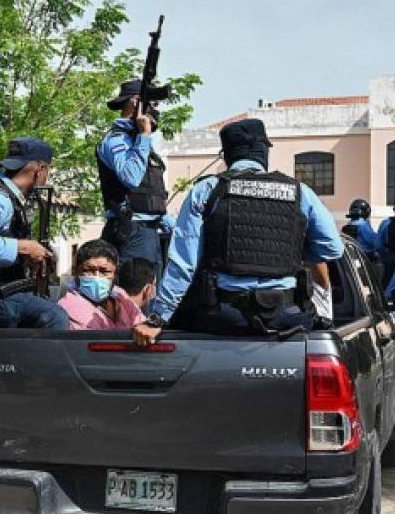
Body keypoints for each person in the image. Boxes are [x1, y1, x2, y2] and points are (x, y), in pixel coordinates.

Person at [132, 118, 344, 345]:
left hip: (223, 317)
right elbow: (331, 248)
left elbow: (183, 264)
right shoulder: (301, 193)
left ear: (226, 156)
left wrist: (157, 319)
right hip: (285, 316)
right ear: (264, 151)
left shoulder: (206, 190)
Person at [0, 137, 69, 329]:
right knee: (54, 316)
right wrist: (23, 247)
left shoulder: (11, 199)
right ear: (40, 169)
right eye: (47, 171)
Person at [97, 78, 172, 269]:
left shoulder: (139, 141)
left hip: (151, 232)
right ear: (135, 102)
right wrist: (144, 136)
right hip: (130, 232)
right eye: (153, 104)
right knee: (132, 296)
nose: (155, 110)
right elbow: (130, 178)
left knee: (151, 294)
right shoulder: (116, 141)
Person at [57, 239, 144, 330]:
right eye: (88, 270)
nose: (97, 277)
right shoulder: (70, 307)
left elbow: (141, 324)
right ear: (76, 273)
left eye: (104, 271)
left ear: (116, 274)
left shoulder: (120, 295)